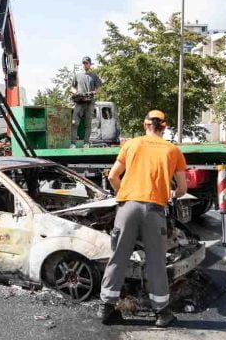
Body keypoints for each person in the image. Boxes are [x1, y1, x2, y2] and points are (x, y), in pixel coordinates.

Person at [98, 110, 187, 328]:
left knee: (118, 256)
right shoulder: (173, 150)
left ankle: (107, 308)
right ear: (164, 127)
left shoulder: (131, 144)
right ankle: (162, 313)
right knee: (156, 261)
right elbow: (183, 188)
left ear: (144, 124)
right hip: (155, 210)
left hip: (127, 207)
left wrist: (124, 194)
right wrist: (170, 194)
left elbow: (112, 176)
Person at [70, 56, 102, 147]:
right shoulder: (77, 75)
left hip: (90, 102)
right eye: (83, 63)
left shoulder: (94, 76)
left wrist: (92, 92)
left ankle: (86, 143)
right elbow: (72, 87)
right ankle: (73, 143)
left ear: (90, 64)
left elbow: (99, 89)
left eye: (86, 63)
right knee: (74, 122)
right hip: (79, 102)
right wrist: (76, 92)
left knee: (88, 124)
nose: (85, 64)